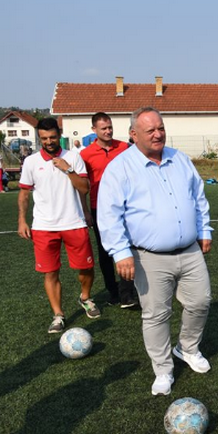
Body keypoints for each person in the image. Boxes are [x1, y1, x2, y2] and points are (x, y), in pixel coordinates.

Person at [98, 107, 213, 396]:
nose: (158, 134)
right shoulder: (120, 168)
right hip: (148, 256)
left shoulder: (180, 159)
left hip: (189, 251)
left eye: (160, 127)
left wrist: (204, 230)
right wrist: (120, 252)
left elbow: (198, 197)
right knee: (156, 315)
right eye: (150, 130)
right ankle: (163, 370)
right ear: (133, 134)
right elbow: (109, 214)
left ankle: (187, 348)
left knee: (200, 302)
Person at [17, 118, 99, 333]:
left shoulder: (73, 157)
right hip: (43, 226)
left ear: (59, 134)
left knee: (86, 268)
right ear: (39, 138)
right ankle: (58, 314)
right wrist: (22, 220)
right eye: (44, 138)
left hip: (74, 222)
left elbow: (84, 188)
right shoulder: (31, 162)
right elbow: (24, 193)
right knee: (50, 272)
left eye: (53, 137)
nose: (49, 141)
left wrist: (67, 169)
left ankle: (85, 297)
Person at [80, 112, 138, 308]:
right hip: (99, 209)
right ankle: (112, 292)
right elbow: (82, 186)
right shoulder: (85, 155)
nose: (108, 131)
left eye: (110, 127)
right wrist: (86, 211)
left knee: (129, 247)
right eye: (103, 128)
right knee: (105, 252)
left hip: (126, 206)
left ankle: (127, 293)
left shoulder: (125, 148)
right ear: (94, 130)